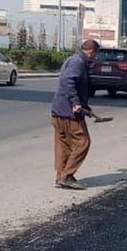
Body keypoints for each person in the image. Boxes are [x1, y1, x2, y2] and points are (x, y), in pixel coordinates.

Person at [50, 39, 100, 190]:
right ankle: (66, 175)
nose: (95, 59)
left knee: (64, 145)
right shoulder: (78, 62)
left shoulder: (73, 59)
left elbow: (74, 85)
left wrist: (85, 107)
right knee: (83, 142)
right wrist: (75, 103)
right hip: (68, 113)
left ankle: (61, 176)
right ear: (91, 52)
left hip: (59, 111)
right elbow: (68, 81)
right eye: (95, 55)